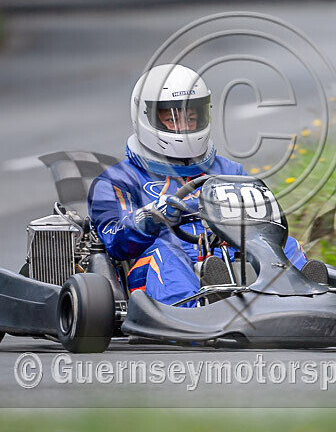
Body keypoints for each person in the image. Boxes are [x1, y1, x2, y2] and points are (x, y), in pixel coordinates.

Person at [88, 64, 309, 306]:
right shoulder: (118, 180)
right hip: (155, 272)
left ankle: (307, 297)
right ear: (146, 117)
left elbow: (262, 225)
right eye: (172, 119)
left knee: (283, 246)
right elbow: (115, 243)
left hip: (226, 259)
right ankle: (192, 310)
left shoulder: (230, 171)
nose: (184, 126)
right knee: (166, 253)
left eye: (191, 117)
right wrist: (148, 218)